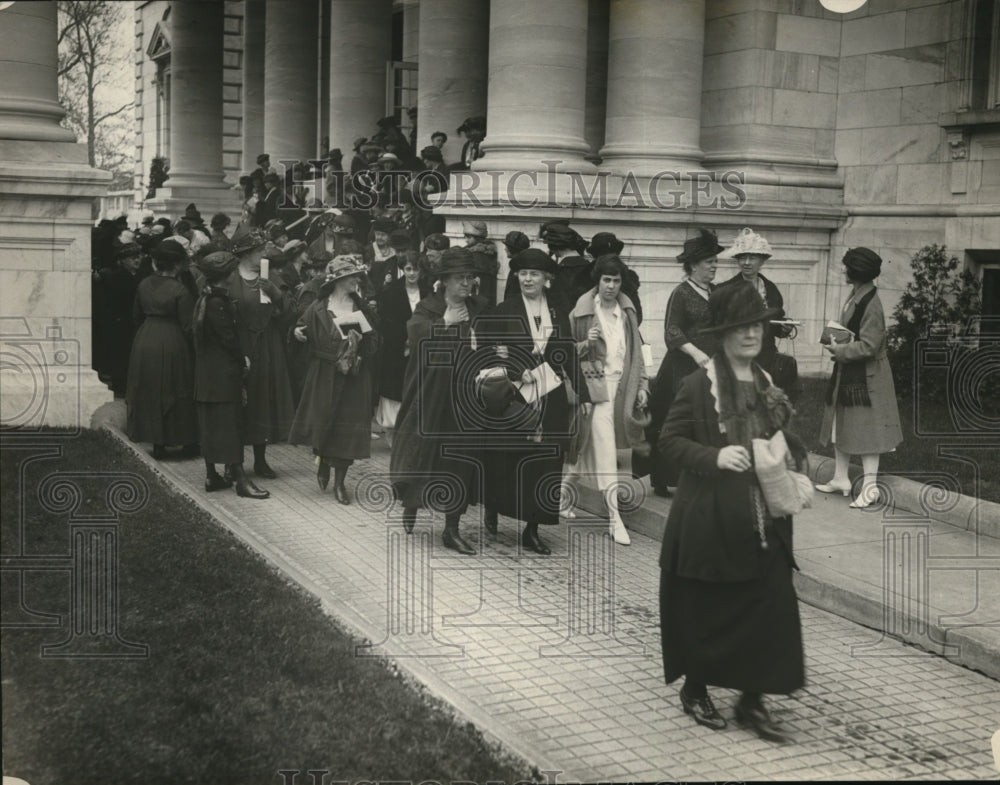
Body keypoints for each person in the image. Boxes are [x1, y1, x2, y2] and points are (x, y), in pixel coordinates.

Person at [658, 281, 804, 743]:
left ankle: (751, 700)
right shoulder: (698, 385)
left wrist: (793, 457)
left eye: (756, 326)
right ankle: (695, 689)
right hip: (712, 521)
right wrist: (714, 458)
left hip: (767, 522)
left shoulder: (767, 382)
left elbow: (783, 438)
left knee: (770, 608)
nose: (750, 335)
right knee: (712, 610)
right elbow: (669, 441)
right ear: (722, 335)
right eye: (740, 328)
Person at [480, 249, 589, 555]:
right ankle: (494, 506)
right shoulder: (505, 310)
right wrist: (516, 368)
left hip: (550, 392)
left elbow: (566, 351)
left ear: (547, 279)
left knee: (545, 464)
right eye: (523, 274)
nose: (528, 279)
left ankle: (533, 528)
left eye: (535, 274)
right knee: (507, 459)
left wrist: (583, 393)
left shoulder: (557, 309)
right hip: (515, 395)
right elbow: (489, 350)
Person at [390, 247, 490, 555]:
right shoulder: (429, 307)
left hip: (466, 397)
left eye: (469, 278)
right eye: (459, 278)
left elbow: (492, 340)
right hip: (432, 396)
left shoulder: (480, 307)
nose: (465, 284)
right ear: (444, 280)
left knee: (460, 459)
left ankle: (452, 528)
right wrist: (445, 322)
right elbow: (416, 337)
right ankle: (411, 505)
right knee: (423, 453)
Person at [562, 255, 650, 545]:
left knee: (588, 446)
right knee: (604, 448)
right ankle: (615, 518)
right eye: (606, 280)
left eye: (616, 280)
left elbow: (637, 353)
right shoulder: (582, 312)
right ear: (597, 281)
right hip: (594, 388)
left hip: (621, 389)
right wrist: (586, 341)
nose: (611, 286)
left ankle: (562, 497)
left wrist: (642, 385)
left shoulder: (627, 313)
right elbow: (563, 355)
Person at [289, 255, 380, 504]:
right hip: (323, 373)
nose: (357, 280)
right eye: (352, 276)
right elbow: (300, 327)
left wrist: (360, 343)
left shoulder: (362, 309)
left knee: (347, 430)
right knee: (323, 423)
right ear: (339, 280)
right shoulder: (318, 307)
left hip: (353, 377)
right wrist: (297, 333)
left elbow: (374, 344)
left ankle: (340, 482)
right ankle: (323, 461)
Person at [816, 247, 902, 508]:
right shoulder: (858, 294)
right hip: (853, 372)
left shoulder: (870, 303)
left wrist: (839, 349)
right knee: (841, 424)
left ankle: (870, 487)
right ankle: (841, 478)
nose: (843, 271)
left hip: (868, 377)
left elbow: (870, 346)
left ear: (857, 271)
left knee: (868, 433)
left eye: (847, 267)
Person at [645, 228, 721, 498]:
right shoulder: (681, 293)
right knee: (678, 421)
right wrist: (696, 353)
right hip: (682, 369)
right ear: (694, 265)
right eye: (709, 261)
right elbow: (672, 331)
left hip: (710, 368)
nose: (714, 266)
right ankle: (665, 478)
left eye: (715, 261)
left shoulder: (715, 291)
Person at [192, 251, 269, 499]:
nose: (235, 273)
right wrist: (242, 360)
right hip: (223, 375)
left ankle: (212, 475)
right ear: (225, 275)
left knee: (211, 425)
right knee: (231, 426)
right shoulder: (218, 303)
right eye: (232, 270)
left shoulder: (205, 298)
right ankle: (240, 480)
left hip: (207, 375)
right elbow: (228, 339)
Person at [225, 223, 296, 479]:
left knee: (262, 402)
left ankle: (260, 460)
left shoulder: (268, 275)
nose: (264, 255)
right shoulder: (230, 276)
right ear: (245, 252)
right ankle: (233, 462)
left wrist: (277, 295)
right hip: (238, 343)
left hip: (267, 345)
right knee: (236, 403)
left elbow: (289, 313)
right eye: (258, 251)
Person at [125, 239, 199, 459]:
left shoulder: (144, 284)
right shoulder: (180, 290)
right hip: (173, 339)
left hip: (145, 338)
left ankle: (157, 442)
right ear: (177, 265)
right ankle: (184, 440)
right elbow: (188, 326)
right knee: (176, 386)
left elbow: (135, 316)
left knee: (150, 388)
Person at [717, 227, 797, 397]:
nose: (746, 262)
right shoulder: (725, 290)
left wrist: (783, 328)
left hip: (766, 357)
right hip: (737, 358)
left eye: (752, 257)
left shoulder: (771, 290)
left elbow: (776, 321)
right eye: (742, 257)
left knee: (765, 405)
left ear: (762, 261)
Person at [375, 249, 431, 445]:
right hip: (396, 349)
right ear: (402, 270)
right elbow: (386, 321)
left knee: (415, 388)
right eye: (408, 269)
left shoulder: (428, 291)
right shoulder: (391, 292)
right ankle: (391, 431)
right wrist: (404, 338)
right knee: (395, 388)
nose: (412, 274)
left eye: (416, 269)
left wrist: (419, 337)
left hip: (420, 348)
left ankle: (411, 431)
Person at [94, 241, 143, 397]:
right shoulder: (118, 278)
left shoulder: (133, 276)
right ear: (121, 260)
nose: (137, 260)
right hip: (121, 327)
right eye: (132, 258)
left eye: (138, 257)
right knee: (122, 363)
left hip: (126, 326)